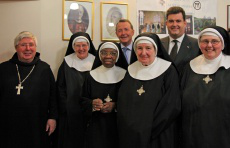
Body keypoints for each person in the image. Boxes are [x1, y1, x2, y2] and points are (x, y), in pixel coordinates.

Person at [117, 32, 181, 148]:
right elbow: (123, 102)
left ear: (155, 49)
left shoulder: (168, 70)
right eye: (139, 48)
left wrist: (148, 129)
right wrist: (130, 127)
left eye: (148, 48)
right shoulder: (131, 69)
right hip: (132, 133)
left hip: (158, 133)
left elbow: (171, 105)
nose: (143, 53)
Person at [0, 31, 58, 148]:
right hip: (8, 122)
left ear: (35, 48)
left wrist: (52, 117)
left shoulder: (44, 69)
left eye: (31, 45)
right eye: (23, 45)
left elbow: (53, 96)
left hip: (36, 122)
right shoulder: (3, 68)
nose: (28, 48)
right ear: (16, 48)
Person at [181, 26, 230, 148]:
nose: (209, 45)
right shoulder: (189, 67)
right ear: (199, 44)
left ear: (223, 44)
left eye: (214, 41)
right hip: (193, 132)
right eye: (205, 41)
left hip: (224, 132)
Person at [81, 42, 127, 148]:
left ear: (118, 55)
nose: (108, 56)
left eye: (113, 53)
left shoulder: (125, 75)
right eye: (104, 53)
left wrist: (115, 106)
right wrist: (92, 104)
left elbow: (131, 101)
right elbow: (82, 100)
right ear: (99, 55)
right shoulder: (91, 76)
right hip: (96, 126)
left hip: (119, 126)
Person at [56, 32, 96, 148]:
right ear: (73, 47)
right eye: (78, 45)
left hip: (91, 110)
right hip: (70, 111)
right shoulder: (66, 62)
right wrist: (65, 106)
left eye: (84, 45)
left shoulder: (96, 61)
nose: (81, 49)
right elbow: (60, 87)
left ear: (89, 46)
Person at [161, 6, 200, 74]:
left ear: (184, 23)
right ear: (166, 24)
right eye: (171, 21)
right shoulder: (159, 43)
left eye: (178, 21)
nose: (174, 24)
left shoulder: (196, 44)